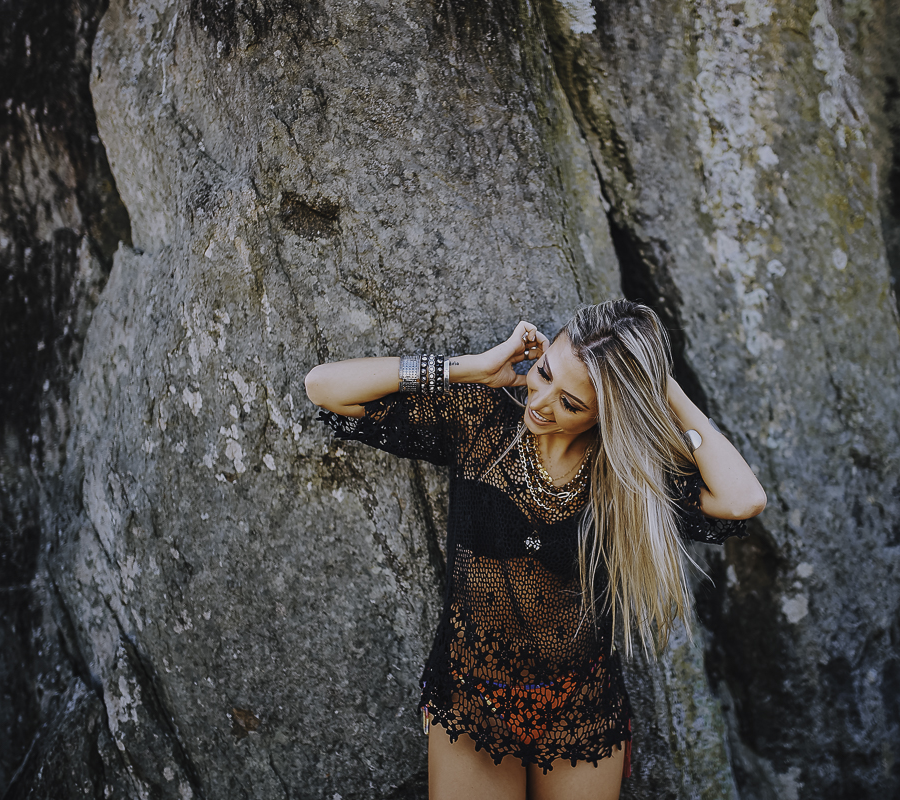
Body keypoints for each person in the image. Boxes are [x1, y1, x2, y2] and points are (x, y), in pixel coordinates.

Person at [304, 299, 766, 800]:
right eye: (544, 373)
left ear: (608, 414)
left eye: (571, 403)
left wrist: (660, 388)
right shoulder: (482, 419)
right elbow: (324, 388)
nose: (541, 402)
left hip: (580, 709)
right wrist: (472, 367)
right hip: (471, 698)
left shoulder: (626, 478)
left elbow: (742, 499)